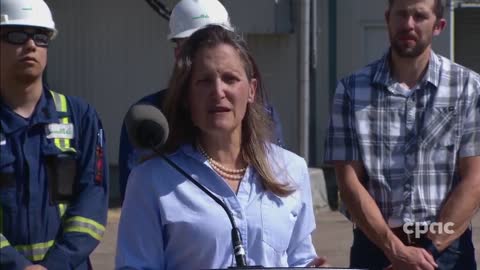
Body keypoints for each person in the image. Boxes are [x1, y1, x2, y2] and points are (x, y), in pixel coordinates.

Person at [115, 25, 328, 269]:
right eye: (204, 81)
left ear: (251, 90)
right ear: (186, 96)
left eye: (230, 79)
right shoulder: (150, 180)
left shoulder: (291, 169)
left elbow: (300, 258)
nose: (218, 92)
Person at [324, 0, 480, 269]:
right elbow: (349, 182)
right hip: (375, 248)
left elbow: (474, 179)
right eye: (401, 15)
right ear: (387, 19)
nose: (408, 24)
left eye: (419, 16)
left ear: (439, 26)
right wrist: (394, 249)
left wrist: (429, 250)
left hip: (446, 251)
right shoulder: (351, 90)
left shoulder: (467, 87)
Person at [117, 0, 285, 203]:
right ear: (177, 53)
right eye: (195, 45)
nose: (218, 92)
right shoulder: (149, 117)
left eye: (215, 39)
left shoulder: (262, 112)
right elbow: (136, 197)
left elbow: (275, 181)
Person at [0, 0, 109, 269]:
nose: (31, 45)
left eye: (40, 36)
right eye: (17, 35)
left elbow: (92, 201)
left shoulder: (80, 116)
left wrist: (56, 264)